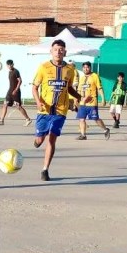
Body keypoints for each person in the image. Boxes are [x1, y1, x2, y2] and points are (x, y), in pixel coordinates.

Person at [30, 38, 80, 181]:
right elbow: (34, 87)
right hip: (44, 111)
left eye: (61, 49)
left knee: (52, 138)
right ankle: (38, 140)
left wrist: (79, 97)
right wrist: (38, 101)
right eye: (56, 49)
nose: (58, 52)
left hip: (60, 110)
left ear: (65, 52)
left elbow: (69, 88)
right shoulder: (43, 67)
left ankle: (45, 170)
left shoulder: (70, 69)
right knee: (40, 139)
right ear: (51, 51)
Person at [75, 61, 110, 140]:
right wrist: (76, 99)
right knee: (81, 119)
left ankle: (105, 130)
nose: (86, 69)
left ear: (90, 68)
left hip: (92, 103)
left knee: (95, 119)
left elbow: (99, 88)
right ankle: (83, 135)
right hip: (83, 103)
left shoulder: (95, 76)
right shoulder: (82, 78)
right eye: (84, 67)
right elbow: (79, 90)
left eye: (87, 67)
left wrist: (103, 99)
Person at [0, 59, 32, 126]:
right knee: (5, 104)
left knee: (18, 106)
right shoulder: (9, 72)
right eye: (8, 65)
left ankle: (28, 119)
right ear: (7, 65)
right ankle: (1, 120)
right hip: (10, 91)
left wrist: (16, 90)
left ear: (13, 64)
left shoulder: (16, 71)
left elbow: (20, 81)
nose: (9, 66)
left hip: (16, 91)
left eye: (11, 64)